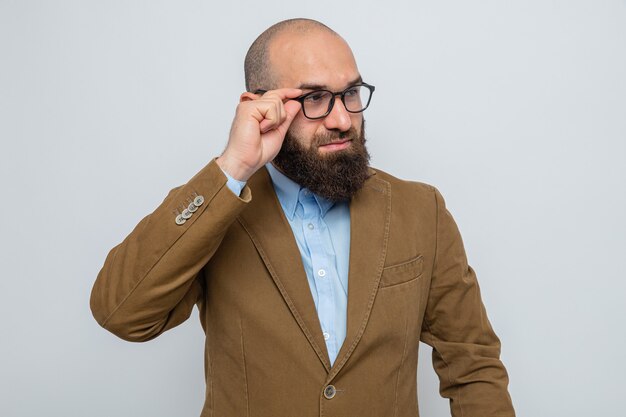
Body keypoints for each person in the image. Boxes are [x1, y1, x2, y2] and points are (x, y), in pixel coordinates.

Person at [90, 18, 515, 417]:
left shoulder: (422, 210)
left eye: (351, 93)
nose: (343, 118)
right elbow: (121, 313)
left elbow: (472, 363)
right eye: (314, 98)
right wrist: (233, 167)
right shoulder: (217, 208)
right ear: (259, 106)